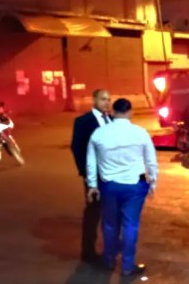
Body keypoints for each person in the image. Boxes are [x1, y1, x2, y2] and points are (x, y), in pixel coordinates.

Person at [86, 98, 158, 277]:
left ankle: (109, 260)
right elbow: (151, 160)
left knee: (109, 225)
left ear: (113, 112)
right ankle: (127, 265)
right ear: (130, 112)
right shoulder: (140, 133)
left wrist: (92, 185)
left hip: (109, 186)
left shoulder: (99, 134)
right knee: (130, 226)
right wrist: (153, 182)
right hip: (134, 186)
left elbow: (91, 162)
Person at [70, 89, 112, 264]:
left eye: (108, 99)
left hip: (112, 175)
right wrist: (86, 173)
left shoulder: (112, 120)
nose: (106, 102)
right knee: (93, 212)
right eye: (103, 99)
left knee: (111, 213)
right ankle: (88, 252)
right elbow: (76, 147)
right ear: (94, 100)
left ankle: (110, 250)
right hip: (94, 175)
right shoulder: (83, 122)